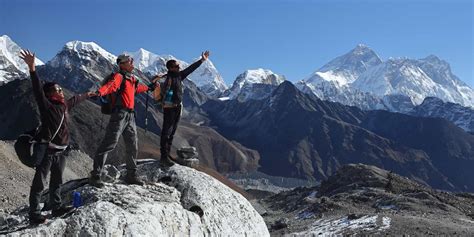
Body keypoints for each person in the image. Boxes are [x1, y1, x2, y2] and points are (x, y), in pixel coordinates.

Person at [19, 50, 97, 224]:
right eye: (57, 89)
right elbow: (38, 89)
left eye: (61, 89)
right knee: (39, 184)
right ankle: (34, 214)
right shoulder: (46, 106)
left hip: (62, 153)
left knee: (57, 183)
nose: (61, 91)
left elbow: (76, 99)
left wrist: (88, 95)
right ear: (49, 94)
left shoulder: (65, 106)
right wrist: (32, 69)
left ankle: (56, 207)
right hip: (47, 152)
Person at [89, 54, 154, 188]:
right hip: (119, 115)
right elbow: (110, 86)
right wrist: (99, 92)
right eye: (130, 62)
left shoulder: (132, 79)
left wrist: (149, 87)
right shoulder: (119, 77)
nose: (132, 64)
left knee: (132, 145)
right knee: (109, 144)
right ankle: (95, 175)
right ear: (122, 64)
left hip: (130, 116)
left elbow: (138, 89)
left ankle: (131, 174)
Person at [156, 51, 210, 167]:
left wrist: (202, 60)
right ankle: (163, 156)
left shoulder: (179, 76)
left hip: (177, 107)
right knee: (166, 132)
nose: (179, 67)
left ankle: (167, 155)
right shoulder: (166, 78)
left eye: (178, 65)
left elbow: (190, 69)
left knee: (172, 132)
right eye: (176, 66)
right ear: (170, 68)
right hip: (169, 108)